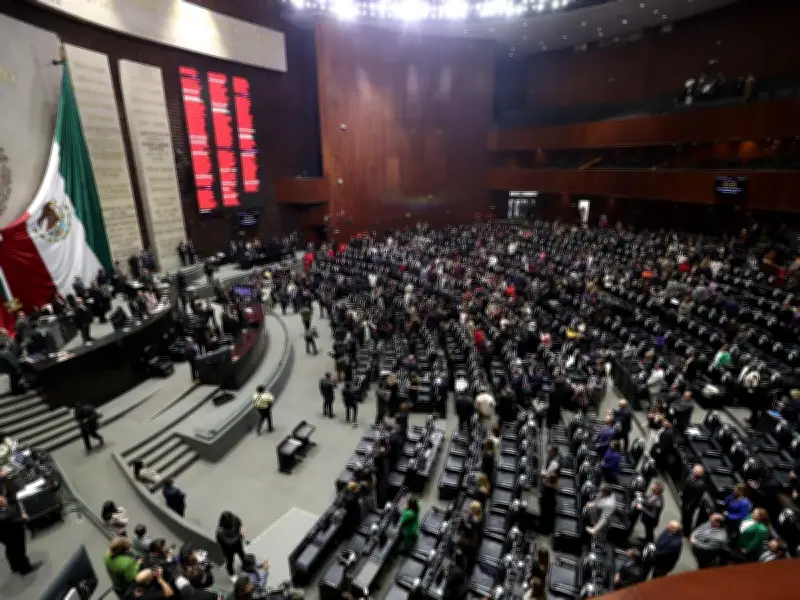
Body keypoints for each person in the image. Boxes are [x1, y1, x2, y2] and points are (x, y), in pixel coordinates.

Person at [0, 495, 42, 576]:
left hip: (4, 537)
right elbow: (14, 522)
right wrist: (23, 518)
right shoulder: (6, 514)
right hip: (13, 535)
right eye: (4, 499)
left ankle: (15, 566)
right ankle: (26, 569)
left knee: (10, 550)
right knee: (19, 551)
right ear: (2, 503)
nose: (6, 500)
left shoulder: (4, 512)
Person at [216, 511, 246, 581]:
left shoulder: (234, 519)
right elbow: (229, 542)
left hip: (238, 544)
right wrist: (239, 536)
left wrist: (241, 530)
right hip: (228, 550)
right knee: (230, 561)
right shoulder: (220, 532)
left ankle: (246, 566)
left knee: (242, 555)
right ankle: (231, 574)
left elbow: (239, 523)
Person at [681, 464, 706, 535]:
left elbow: (697, 497)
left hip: (691, 504)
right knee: (683, 514)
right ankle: (682, 526)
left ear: (701, 474)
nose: (695, 472)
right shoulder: (690, 475)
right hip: (685, 499)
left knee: (688, 518)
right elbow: (686, 484)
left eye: (698, 472)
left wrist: (689, 505)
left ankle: (686, 532)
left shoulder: (700, 484)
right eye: (695, 470)